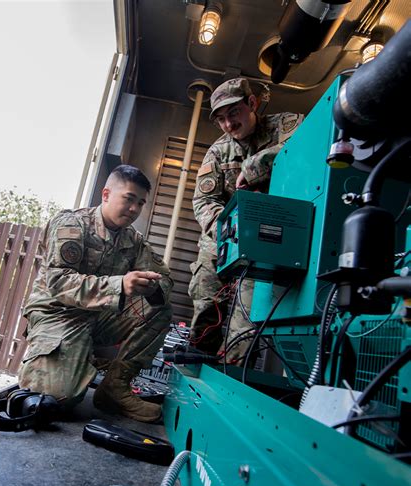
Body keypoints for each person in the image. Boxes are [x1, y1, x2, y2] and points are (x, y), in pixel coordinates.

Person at [18, 165, 173, 423]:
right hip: (58, 315)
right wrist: (119, 286)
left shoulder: (132, 240)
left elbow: (165, 279)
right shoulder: (72, 224)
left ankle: (114, 388)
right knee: (58, 401)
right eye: (129, 199)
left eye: (141, 203)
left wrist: (153, 285)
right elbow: (58, 281)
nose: (134, 209)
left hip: (99, 317)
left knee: (159, 308)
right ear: (105, 194)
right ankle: (60, 362)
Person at [189, 78, 303, 362]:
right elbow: (203, 201)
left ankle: (232, 370)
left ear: (252, 104)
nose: (228, 125)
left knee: (247, 316)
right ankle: (197, 360)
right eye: (221, 120)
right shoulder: (217, 152)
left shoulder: (286, 126)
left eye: (233, 114)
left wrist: (255, 166)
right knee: (206, 297)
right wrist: (227, 229)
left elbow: (308, 146)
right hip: (225, 235)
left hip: (270, 235)